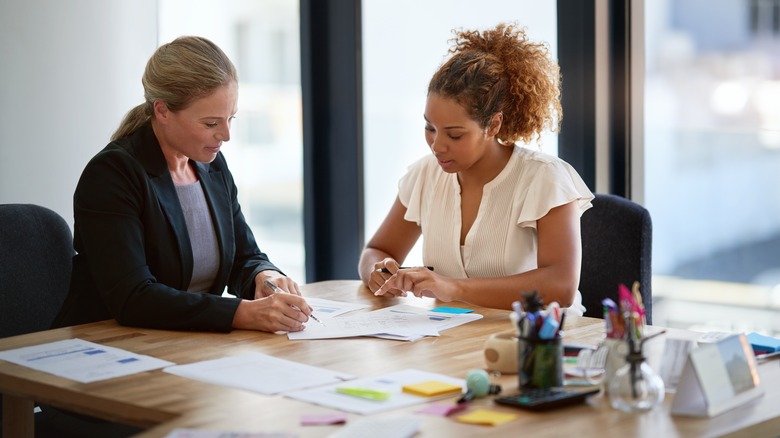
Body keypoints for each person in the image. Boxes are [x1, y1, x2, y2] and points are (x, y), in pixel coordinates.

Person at [52, 36, 313, 334]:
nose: (226, 135)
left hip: (184, 345)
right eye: (211, 124)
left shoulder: (211, 165)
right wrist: (242, 314)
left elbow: (244, 257)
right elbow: (134, 298)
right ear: (162, 111)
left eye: (231, 119)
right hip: (105, 347)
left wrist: (264, 276)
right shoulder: (112, 174)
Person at [358, 23, 594, 314]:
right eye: (430, 128)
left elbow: (562, 286)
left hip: (538, 343)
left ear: (493, 125)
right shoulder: (425, 175)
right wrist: (378, 272)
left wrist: (453, 288)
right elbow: (376, 251)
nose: (437, 145)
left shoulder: (545, 178)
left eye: (454, 134)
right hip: (455, 340)